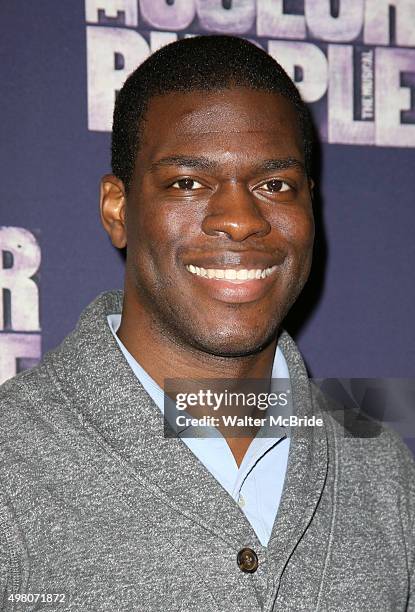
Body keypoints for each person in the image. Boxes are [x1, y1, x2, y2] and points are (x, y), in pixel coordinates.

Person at [0, 35, 414, 612]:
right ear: (117, 209)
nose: (240, 221)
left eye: (274, 185)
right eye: (188, 183)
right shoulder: (11, 462)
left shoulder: (380, 469)